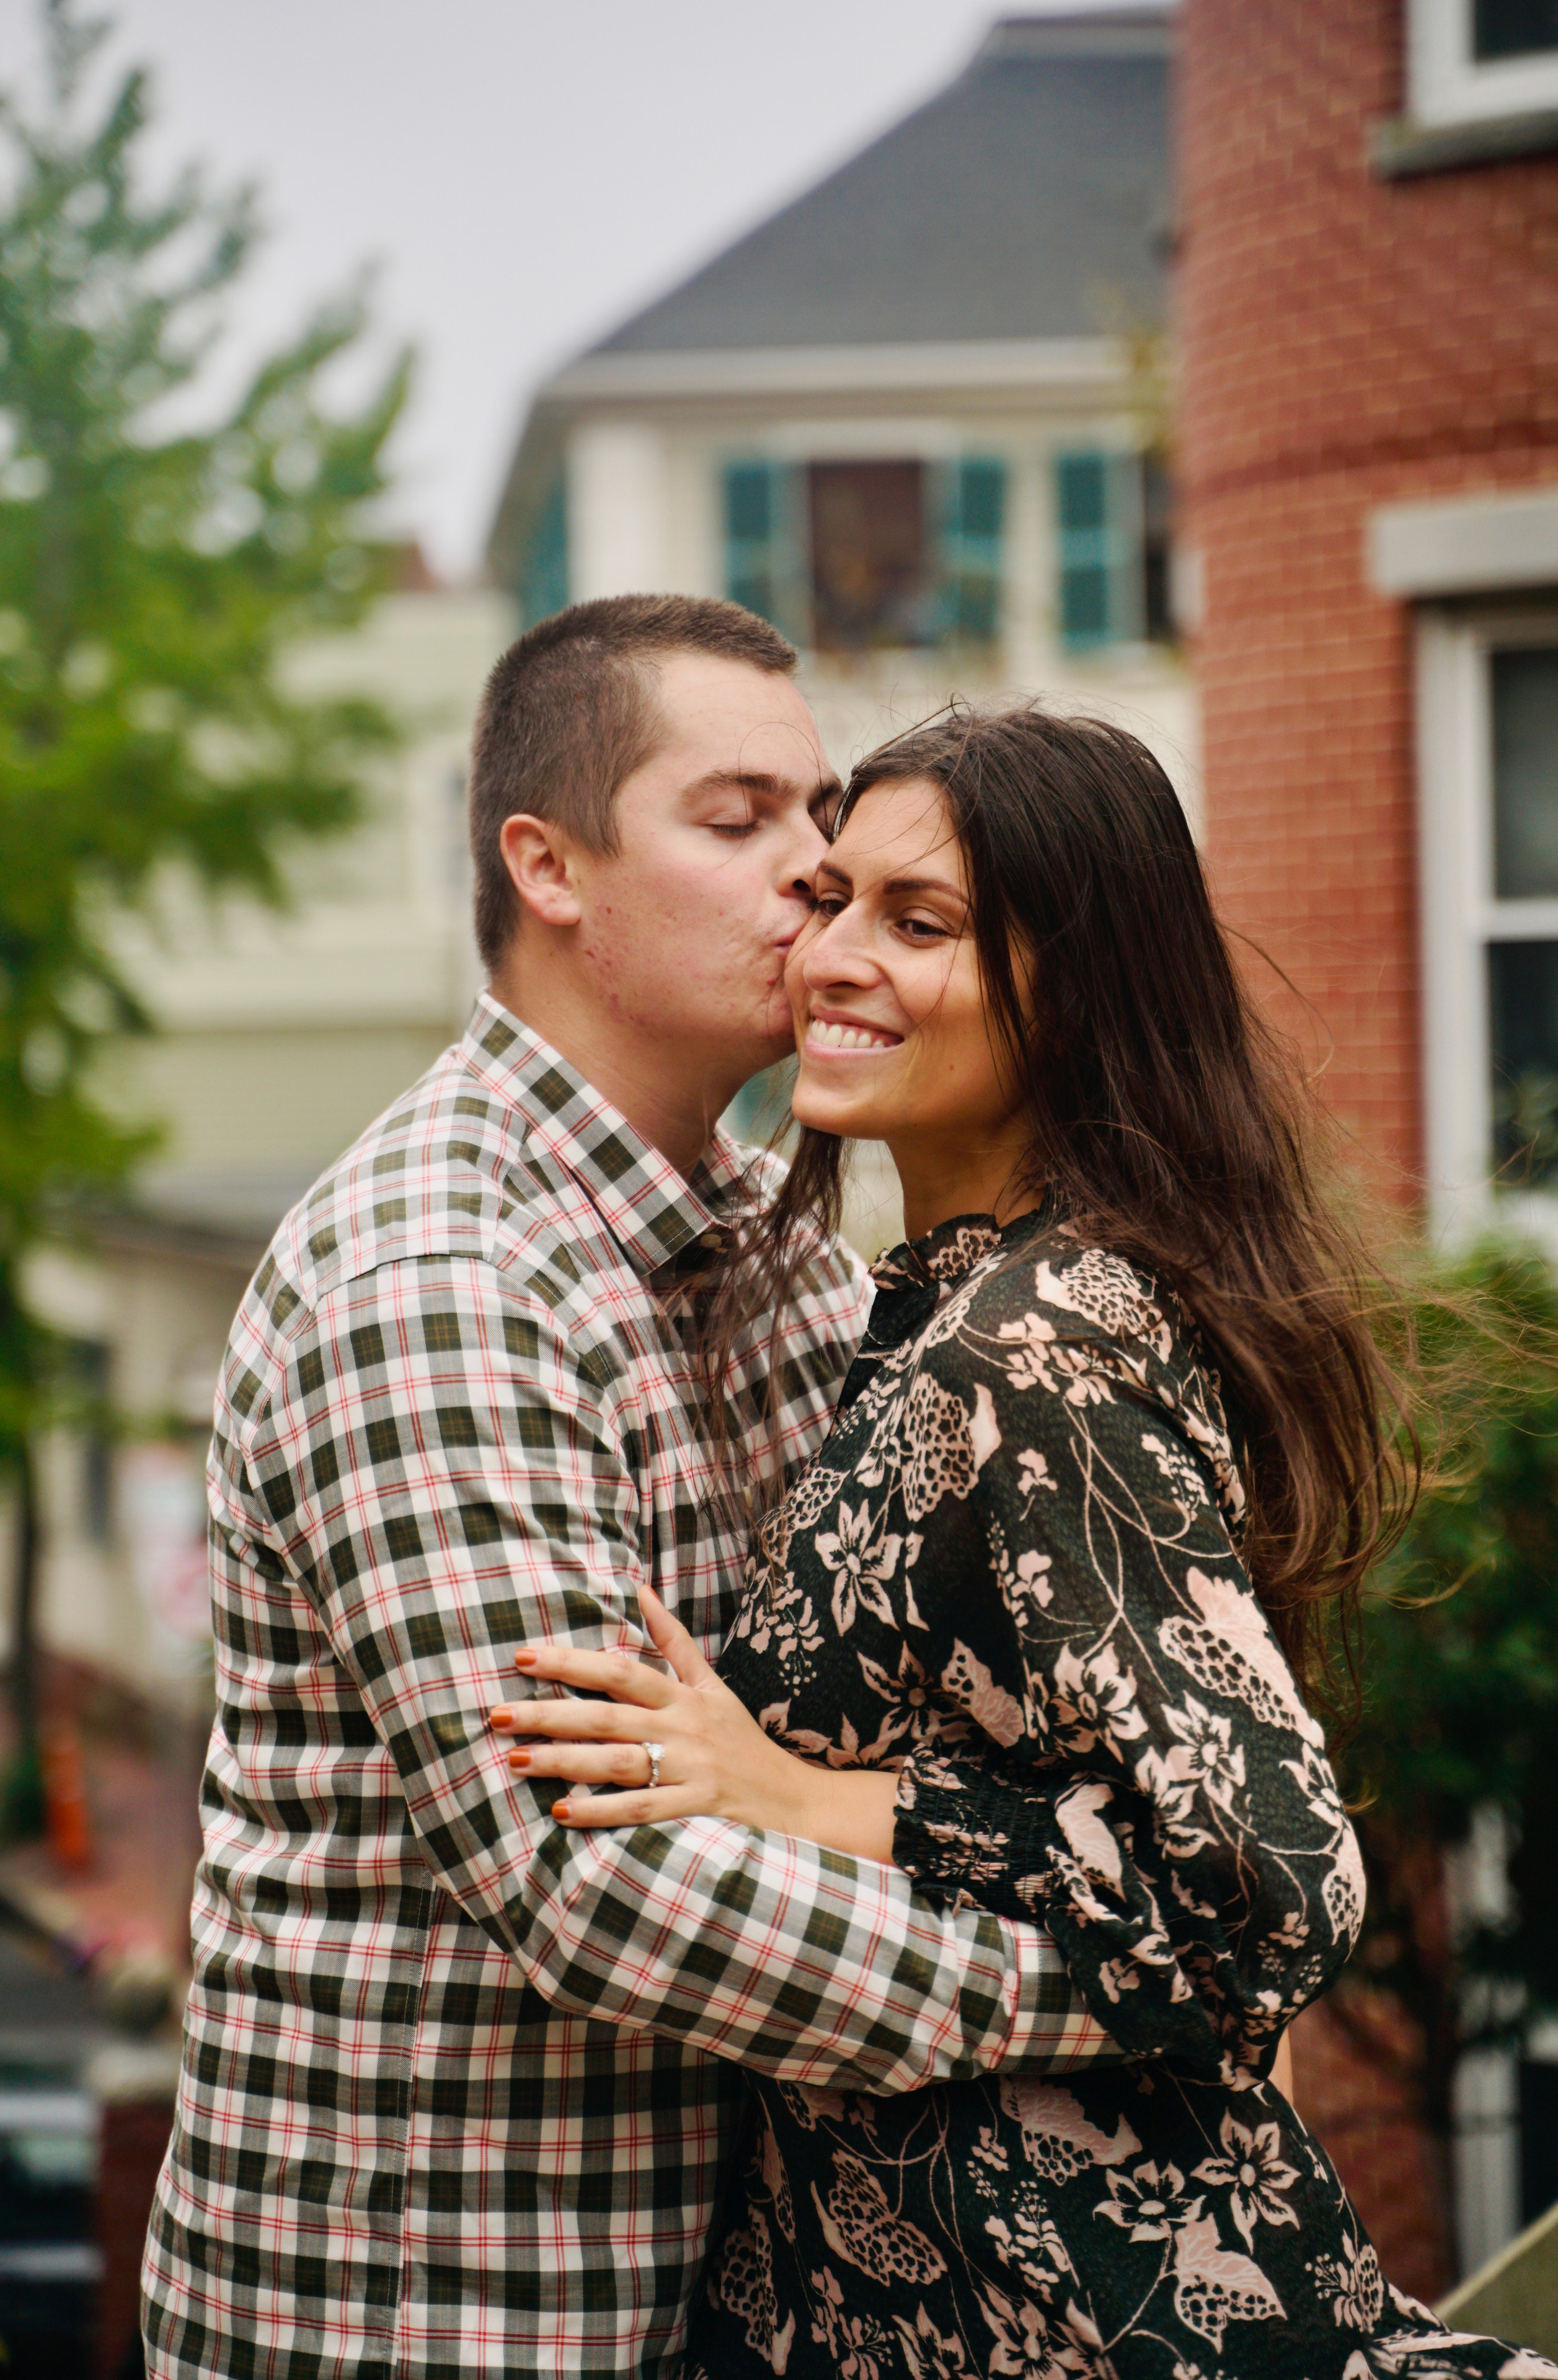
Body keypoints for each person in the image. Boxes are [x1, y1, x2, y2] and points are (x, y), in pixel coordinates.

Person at [495, 703, 1558, 2380]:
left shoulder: (1034, 1345)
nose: (833, 954)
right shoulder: (945, 1314)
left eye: (918, 926)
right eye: (833, 897)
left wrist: (805, 1799)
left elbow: (1274, 1886)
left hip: (1105, 2318)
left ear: (1074, 991)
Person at [139, 603, 1118, 2380]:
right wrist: (1106, 1979)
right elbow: (608, 1889)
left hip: (734, 2305)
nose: (814, 879)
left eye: (824, 820)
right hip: (439, 2323)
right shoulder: (437, 1277)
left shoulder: (795, 1262)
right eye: (739, 819)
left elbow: (909, 1745)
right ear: (551, 866)